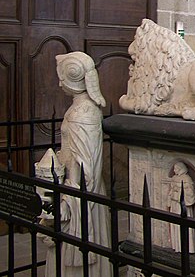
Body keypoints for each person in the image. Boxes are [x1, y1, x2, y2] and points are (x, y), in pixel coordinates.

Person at [55, 52, 111, 277]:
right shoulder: (81, 108)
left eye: (62, 78)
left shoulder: (82, 113)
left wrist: (69, 195)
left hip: (79, 191)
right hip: (77, 185)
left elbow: (85, 165)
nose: (59, 83)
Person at [167, 161, 195, 253]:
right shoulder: (174, 178)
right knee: (175, 224)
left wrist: (178, 193)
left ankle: (188, 247)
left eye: (176, 168)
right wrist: (172, 195)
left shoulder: (187, 179)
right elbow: (171, 191)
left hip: (182, 206)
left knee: (184, 225)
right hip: (174, 205)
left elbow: (190, 194)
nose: (174, 170)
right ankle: (177, 246)